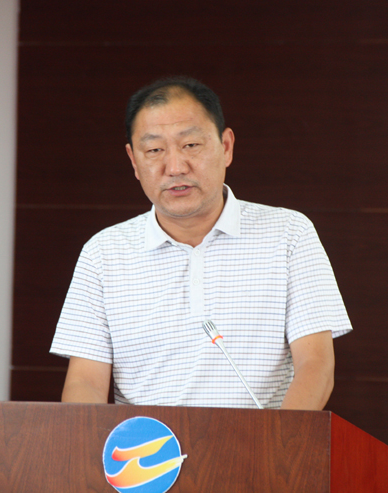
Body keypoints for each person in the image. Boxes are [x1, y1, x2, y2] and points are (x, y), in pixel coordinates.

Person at [50, 77, 352, 410]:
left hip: (261, 440)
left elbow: (316, 366)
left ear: (226, 147)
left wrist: (278, 442)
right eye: (154, 150)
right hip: (151, 445)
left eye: (191, 145)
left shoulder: (289, 235)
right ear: (134, 161)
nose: (175, 167)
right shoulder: (103, 253)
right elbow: (85, 382)